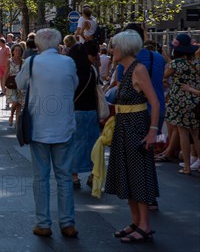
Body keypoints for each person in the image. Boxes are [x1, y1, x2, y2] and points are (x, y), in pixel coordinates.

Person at [15, 28, 79, 238]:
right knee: (65, 178)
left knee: (41, 178)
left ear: (38, 45)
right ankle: (67, 223)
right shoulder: (68, 62)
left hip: (39, 128)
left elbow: (19, 84)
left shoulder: (32, 63)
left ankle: (43, 223)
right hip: (64, 127)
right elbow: (74, 84)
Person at [104, 30, 160, 243]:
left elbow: (154, 101)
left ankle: (144, 225)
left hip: (136, 127)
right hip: (124, 126)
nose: (111, 50)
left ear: (125, 48)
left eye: (114, 46)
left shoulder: (139, 69)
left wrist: (153, 131)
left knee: (138, 175)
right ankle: (136, 221)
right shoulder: (124, 69)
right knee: (128, 175)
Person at [162, 33, 200, 174]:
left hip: (179, 100)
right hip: (195, 100)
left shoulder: (175, 64)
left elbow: (164, 76)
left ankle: (187, 166)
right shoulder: (197, 63)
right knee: (196, 134)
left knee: (183, 133)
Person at [67, 42, 100, 189]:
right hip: (92, 111)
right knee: (92, 144)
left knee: (75, 144)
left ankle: (74, 177)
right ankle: (93, 174)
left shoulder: (71, 72)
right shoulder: (92, 70)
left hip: (76, 110)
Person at [4, 43, 24, 127]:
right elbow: (6, 73)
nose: (18, 52)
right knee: (15, 101)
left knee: (19, 103)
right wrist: (3, 86)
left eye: (19, 50)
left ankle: (18, 122)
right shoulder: (10, 61)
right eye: (16, 50)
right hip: (12, 83)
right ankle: (11, 115)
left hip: (21, 84)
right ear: (13, 51)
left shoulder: (24, 61)